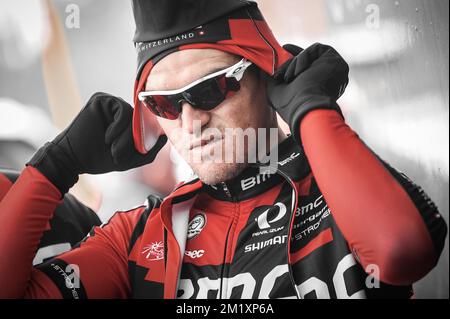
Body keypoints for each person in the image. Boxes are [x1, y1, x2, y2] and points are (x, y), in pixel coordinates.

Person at [0, 0, 446, 299]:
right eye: (164, 103)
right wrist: (57, 164)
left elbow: (402, 251)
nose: (191, 121)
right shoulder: (138, 238)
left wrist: (310, 111)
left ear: (267, 77)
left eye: (211, 89)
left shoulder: (341, 191)